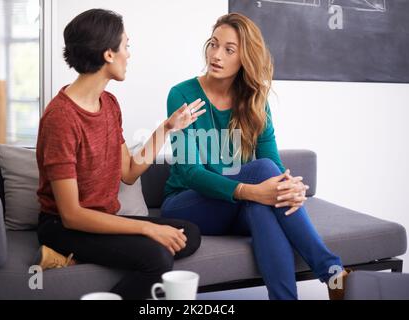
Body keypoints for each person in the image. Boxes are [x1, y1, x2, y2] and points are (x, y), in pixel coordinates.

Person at [161, 13, 351, 300]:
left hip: (238, 204)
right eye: (213, 44)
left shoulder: (254, 100)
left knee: (261, 205)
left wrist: (290, 186)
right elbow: (191, 174)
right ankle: (334, 274)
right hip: (188, 204)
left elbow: (273, 163)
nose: (216, 55)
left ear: (244, 58)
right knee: (261, 176)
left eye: (229, 49)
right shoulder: (182, 94)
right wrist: (253, 189)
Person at [34, 9, 206, 300]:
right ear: (108, 54)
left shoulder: (109, 104)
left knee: (188, 234)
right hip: (63, 227)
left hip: (104, 219)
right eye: (126, 46)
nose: (129, 54)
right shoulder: (60, 118)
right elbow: (72, 214)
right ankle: (64, 251)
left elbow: (128, 173)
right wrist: (145, 229)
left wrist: (166, 128)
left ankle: (67, 257)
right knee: (158, 258)